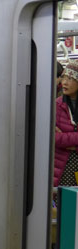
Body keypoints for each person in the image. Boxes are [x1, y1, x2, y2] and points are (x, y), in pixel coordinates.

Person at [54, 59, 78, 187]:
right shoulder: (57, 105)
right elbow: (54, 138)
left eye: (71, 78)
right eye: (64, 77)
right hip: (62, 168)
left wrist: (72, 143)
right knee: (64, 203)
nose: (64, 82)